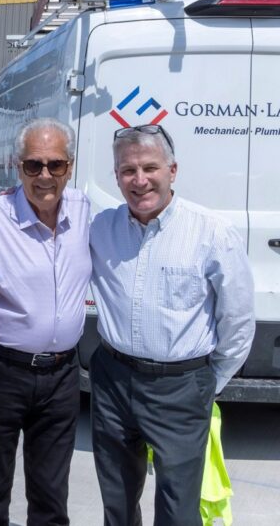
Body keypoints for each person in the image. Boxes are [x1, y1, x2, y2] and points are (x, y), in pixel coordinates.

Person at [89, 123, 255, 526]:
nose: (139, 180)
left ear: (172, 171)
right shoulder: (100, 228)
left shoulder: (212, 233)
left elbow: (237, 321)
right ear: (116, 176)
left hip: (181, 387)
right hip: (112, 381)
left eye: (150, 168)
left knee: (179, 510)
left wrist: (206, 382)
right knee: (117, 503)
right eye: (128, 170)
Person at [0, 118, 90, 526]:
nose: (45, 176)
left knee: (52, 497)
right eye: (33, 165)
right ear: (16, 166)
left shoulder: (86, 212)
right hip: (4, 372)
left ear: (70, 167)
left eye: (56, 165)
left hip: (62, 375)